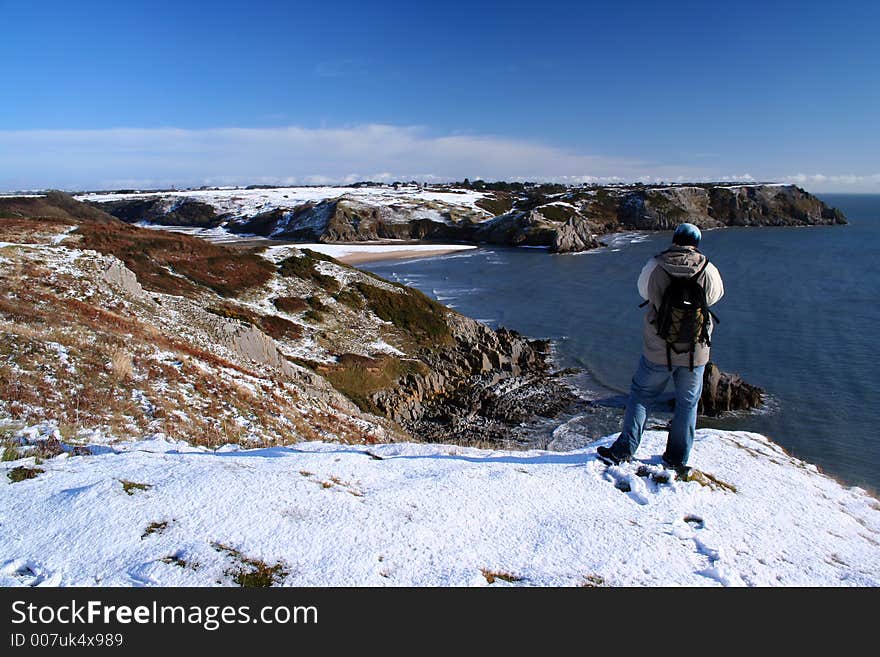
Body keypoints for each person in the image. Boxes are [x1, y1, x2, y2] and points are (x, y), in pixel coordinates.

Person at [597, 223, 724, 477]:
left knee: (642, 395)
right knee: (687, 404)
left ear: (675, 239)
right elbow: (716, 296)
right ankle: (676, 459)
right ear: (696, 243)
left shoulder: (655, 265)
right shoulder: (707, 268)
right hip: (694, 351)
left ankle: (624, 450)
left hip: (658, 347)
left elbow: (643, 291)